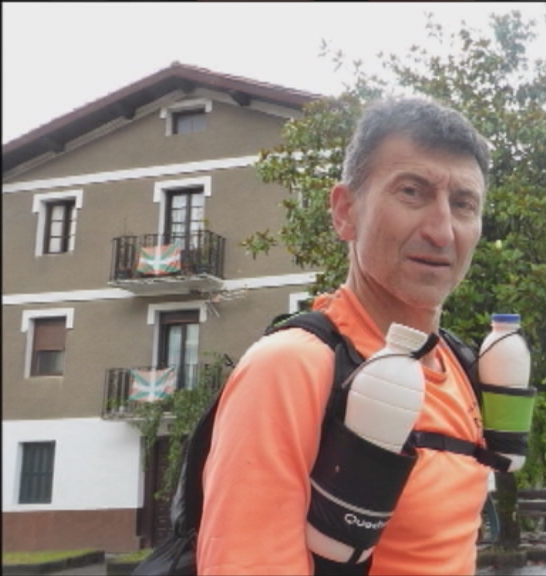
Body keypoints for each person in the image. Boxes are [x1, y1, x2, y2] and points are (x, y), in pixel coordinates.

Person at [197, 97, 493, 575]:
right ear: (344, 212)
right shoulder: (291, 367)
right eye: (412, 192)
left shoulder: (460, 365)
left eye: (463, 204)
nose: (442, 231)